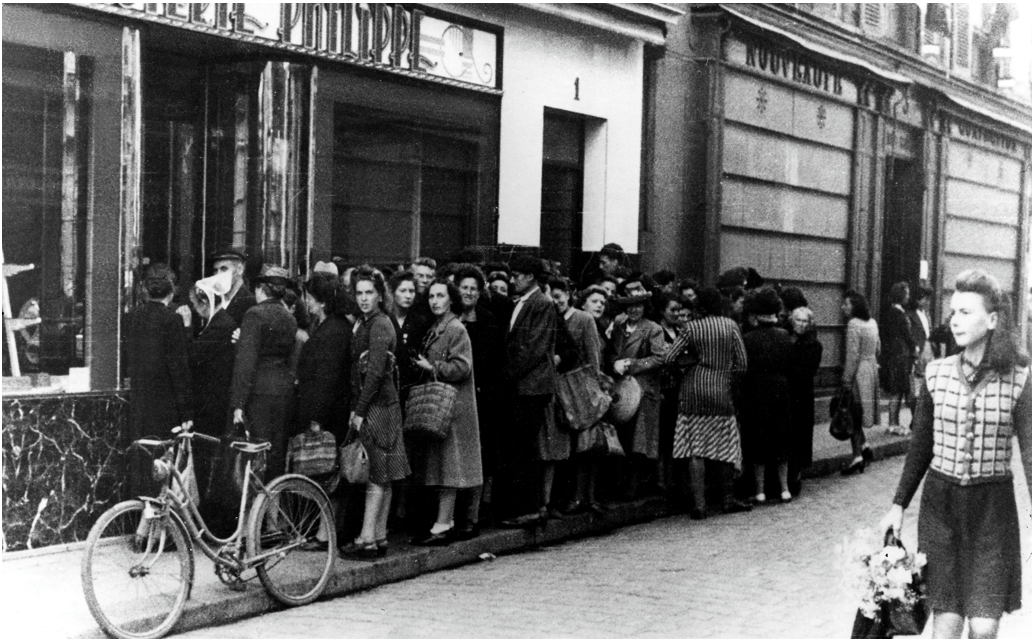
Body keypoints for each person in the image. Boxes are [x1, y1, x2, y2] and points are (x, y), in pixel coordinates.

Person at [881, 269, 1032, 639]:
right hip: (941, 507)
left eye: (966, 312)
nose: (955, 320)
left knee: (984, 627)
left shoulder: (1020, 380)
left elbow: (1030, 453)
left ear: (993, 319)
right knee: (946, 626)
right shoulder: (936, 374)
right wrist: (898, 504)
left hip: (993, 513)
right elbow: (920, 447)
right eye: (953, 312)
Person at [342, 267, 410, 558]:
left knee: (377, 473)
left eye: (369, 292)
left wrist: (358, 410)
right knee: (383, 472)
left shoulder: (380, 324)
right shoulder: (367, 321)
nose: (364, 298)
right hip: (380, 404)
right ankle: (378, 536)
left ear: (380, 295)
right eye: (359, 293)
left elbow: (375, 372)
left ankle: (367, 538)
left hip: (378, 405)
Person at [664, 287, 749, 519]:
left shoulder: (691, 328)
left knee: (695, 449)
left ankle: (699, 505)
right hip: (721, 392)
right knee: (725, 446)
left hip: (693, 391)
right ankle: (727, 500)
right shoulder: (730, 326)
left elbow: (670, 358)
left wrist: (687, 369)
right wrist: (728, 379)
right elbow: (742, 363)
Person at [409, 279, 483, 546]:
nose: (435, 301)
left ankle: (443, 525)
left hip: (454, 407)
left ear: (451, 299)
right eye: (431, 296)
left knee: (449, 466)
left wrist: (432, 367)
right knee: (441, 464)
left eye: (440, 296)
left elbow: (462, 368)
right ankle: (444, 522)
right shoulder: (439, 327)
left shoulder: (455, 328)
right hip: (443, 405)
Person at [124, 263, 194, 498]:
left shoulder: (132, 317)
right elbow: (180, 370)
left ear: (145, 289)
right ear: (171, 290)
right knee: (161, 467)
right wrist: (187, 413)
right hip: (165, 407)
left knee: (143, 462)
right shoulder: (172, 320)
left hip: (139, 402)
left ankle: (141, 515)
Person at [498, 255, 557, 527]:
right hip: (523, 386)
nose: (513, 280)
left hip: (531, 387)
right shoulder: (522, 302)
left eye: (517, 275)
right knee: (519, 447)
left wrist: (507, 375)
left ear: (530, 277)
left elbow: (533, 348)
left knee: (524, 448)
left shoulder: (541, 304)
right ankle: (524, 507)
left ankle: (529, 509)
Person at [229, 265, 297, 479]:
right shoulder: (290, 318)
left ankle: (255, 506)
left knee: (255, 455)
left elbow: (246, 362)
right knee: (276, 453)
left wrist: (238, 403)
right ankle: (272, 507)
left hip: (259, 393)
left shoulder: (255, 314)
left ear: (260, 289)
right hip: (283, 392)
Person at [455, 265, 505, 535]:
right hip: (455, 395)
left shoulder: (488, 319)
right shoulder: (449, 317)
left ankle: (473, 515)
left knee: (479, 454)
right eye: (465, 287)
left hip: (482, 397)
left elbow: (494, 359)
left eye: (474, 288)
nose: (469, 292)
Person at [606, 280, 667, 499]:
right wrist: (614, 362)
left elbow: (660, 358)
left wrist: (631, 364)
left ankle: (634, 484)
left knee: (638, 440)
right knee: (620, 434)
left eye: (638, 305)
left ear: (645, 306)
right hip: (621, 388)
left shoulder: (653, 329)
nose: (634, 309)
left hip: (643, 389)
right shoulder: (619, 326)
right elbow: (611, 350)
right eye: (630, 305)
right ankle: (620, 482)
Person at [185, 272, 237, 526]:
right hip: (214, 404)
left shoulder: (219, 325)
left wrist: (184, 328)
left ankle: (212, 521)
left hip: (212, 407)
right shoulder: (221, 323)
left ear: (207, 302)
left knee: (209, 466)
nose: (197, 312)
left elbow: (195, 356)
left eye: (197, 307)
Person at [739, 287, 794, 504]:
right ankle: (784, 489)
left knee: (757, 439)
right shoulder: (784, 336)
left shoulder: (748, 338)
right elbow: (789, 364)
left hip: (756, 390)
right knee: (781, 438)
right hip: (780, 389)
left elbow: (744, 367)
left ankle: (760, 491)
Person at [654, 292, 689, 505]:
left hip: (678, 390)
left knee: (674, 438)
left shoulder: (680, 331)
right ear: (661, 311)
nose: (676, 314)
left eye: (678, 310)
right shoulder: (657, 331)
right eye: (672, 310)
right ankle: (661, 480)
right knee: (662, 439)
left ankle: (673, 480)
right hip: (661, 390)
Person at [840, 289, 879, 475]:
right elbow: (877, 349)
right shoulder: (872, 322)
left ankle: (857, 456)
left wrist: (847, 379)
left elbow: (853, 355)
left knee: (852, 413)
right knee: (859, 411)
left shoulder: (853, 324)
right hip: (871, 369)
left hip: (858, 373)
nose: (843, 307)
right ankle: (865, 445)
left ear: (854, 306)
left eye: (846, 304)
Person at [786, 305, 822, 497]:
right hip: (787, 394)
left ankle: (795, 477)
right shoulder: (785, 338)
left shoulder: (814, 345)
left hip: (802, 395)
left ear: (810, 324)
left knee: (800, 436)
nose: (800, 324)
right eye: (797, 320)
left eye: (804, 321)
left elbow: (807, 371)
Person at [882, 281, 916, 435]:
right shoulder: (899, 314)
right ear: (901, 296)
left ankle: (893, 423)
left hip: (894, 355)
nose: (908, 297)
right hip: (901, 356)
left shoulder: (890, 313)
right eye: (907, 294)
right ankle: (893, 423)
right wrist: (915, 347)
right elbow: (908, 336)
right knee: (898, 391)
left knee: (897, 390)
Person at [209, 248, 256, 326]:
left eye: (224, 269)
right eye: (215, 270)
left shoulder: (250, 303)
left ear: (239, 269)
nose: (218, 275)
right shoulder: (215, 301)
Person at [907, 285, 934, 419]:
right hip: (919, 350)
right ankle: (915, 418)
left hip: (928, 349)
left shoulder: (926, 314)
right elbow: (911, 335)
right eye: (925, 299)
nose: (927, 302)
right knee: (916, 387)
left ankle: (923, 418)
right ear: (918, 299)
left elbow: (928, 332)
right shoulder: (910, 314)